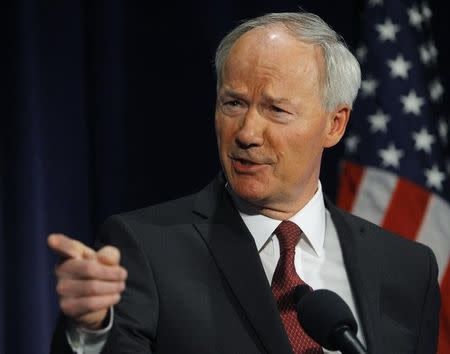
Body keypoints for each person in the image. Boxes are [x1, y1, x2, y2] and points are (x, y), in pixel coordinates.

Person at [48, 11, 440, 354]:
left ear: (335, 125)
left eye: (276, 109)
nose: (247, 132)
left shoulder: (407, 268)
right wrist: (90, 331)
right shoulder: (146, 249)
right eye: (233, 103)